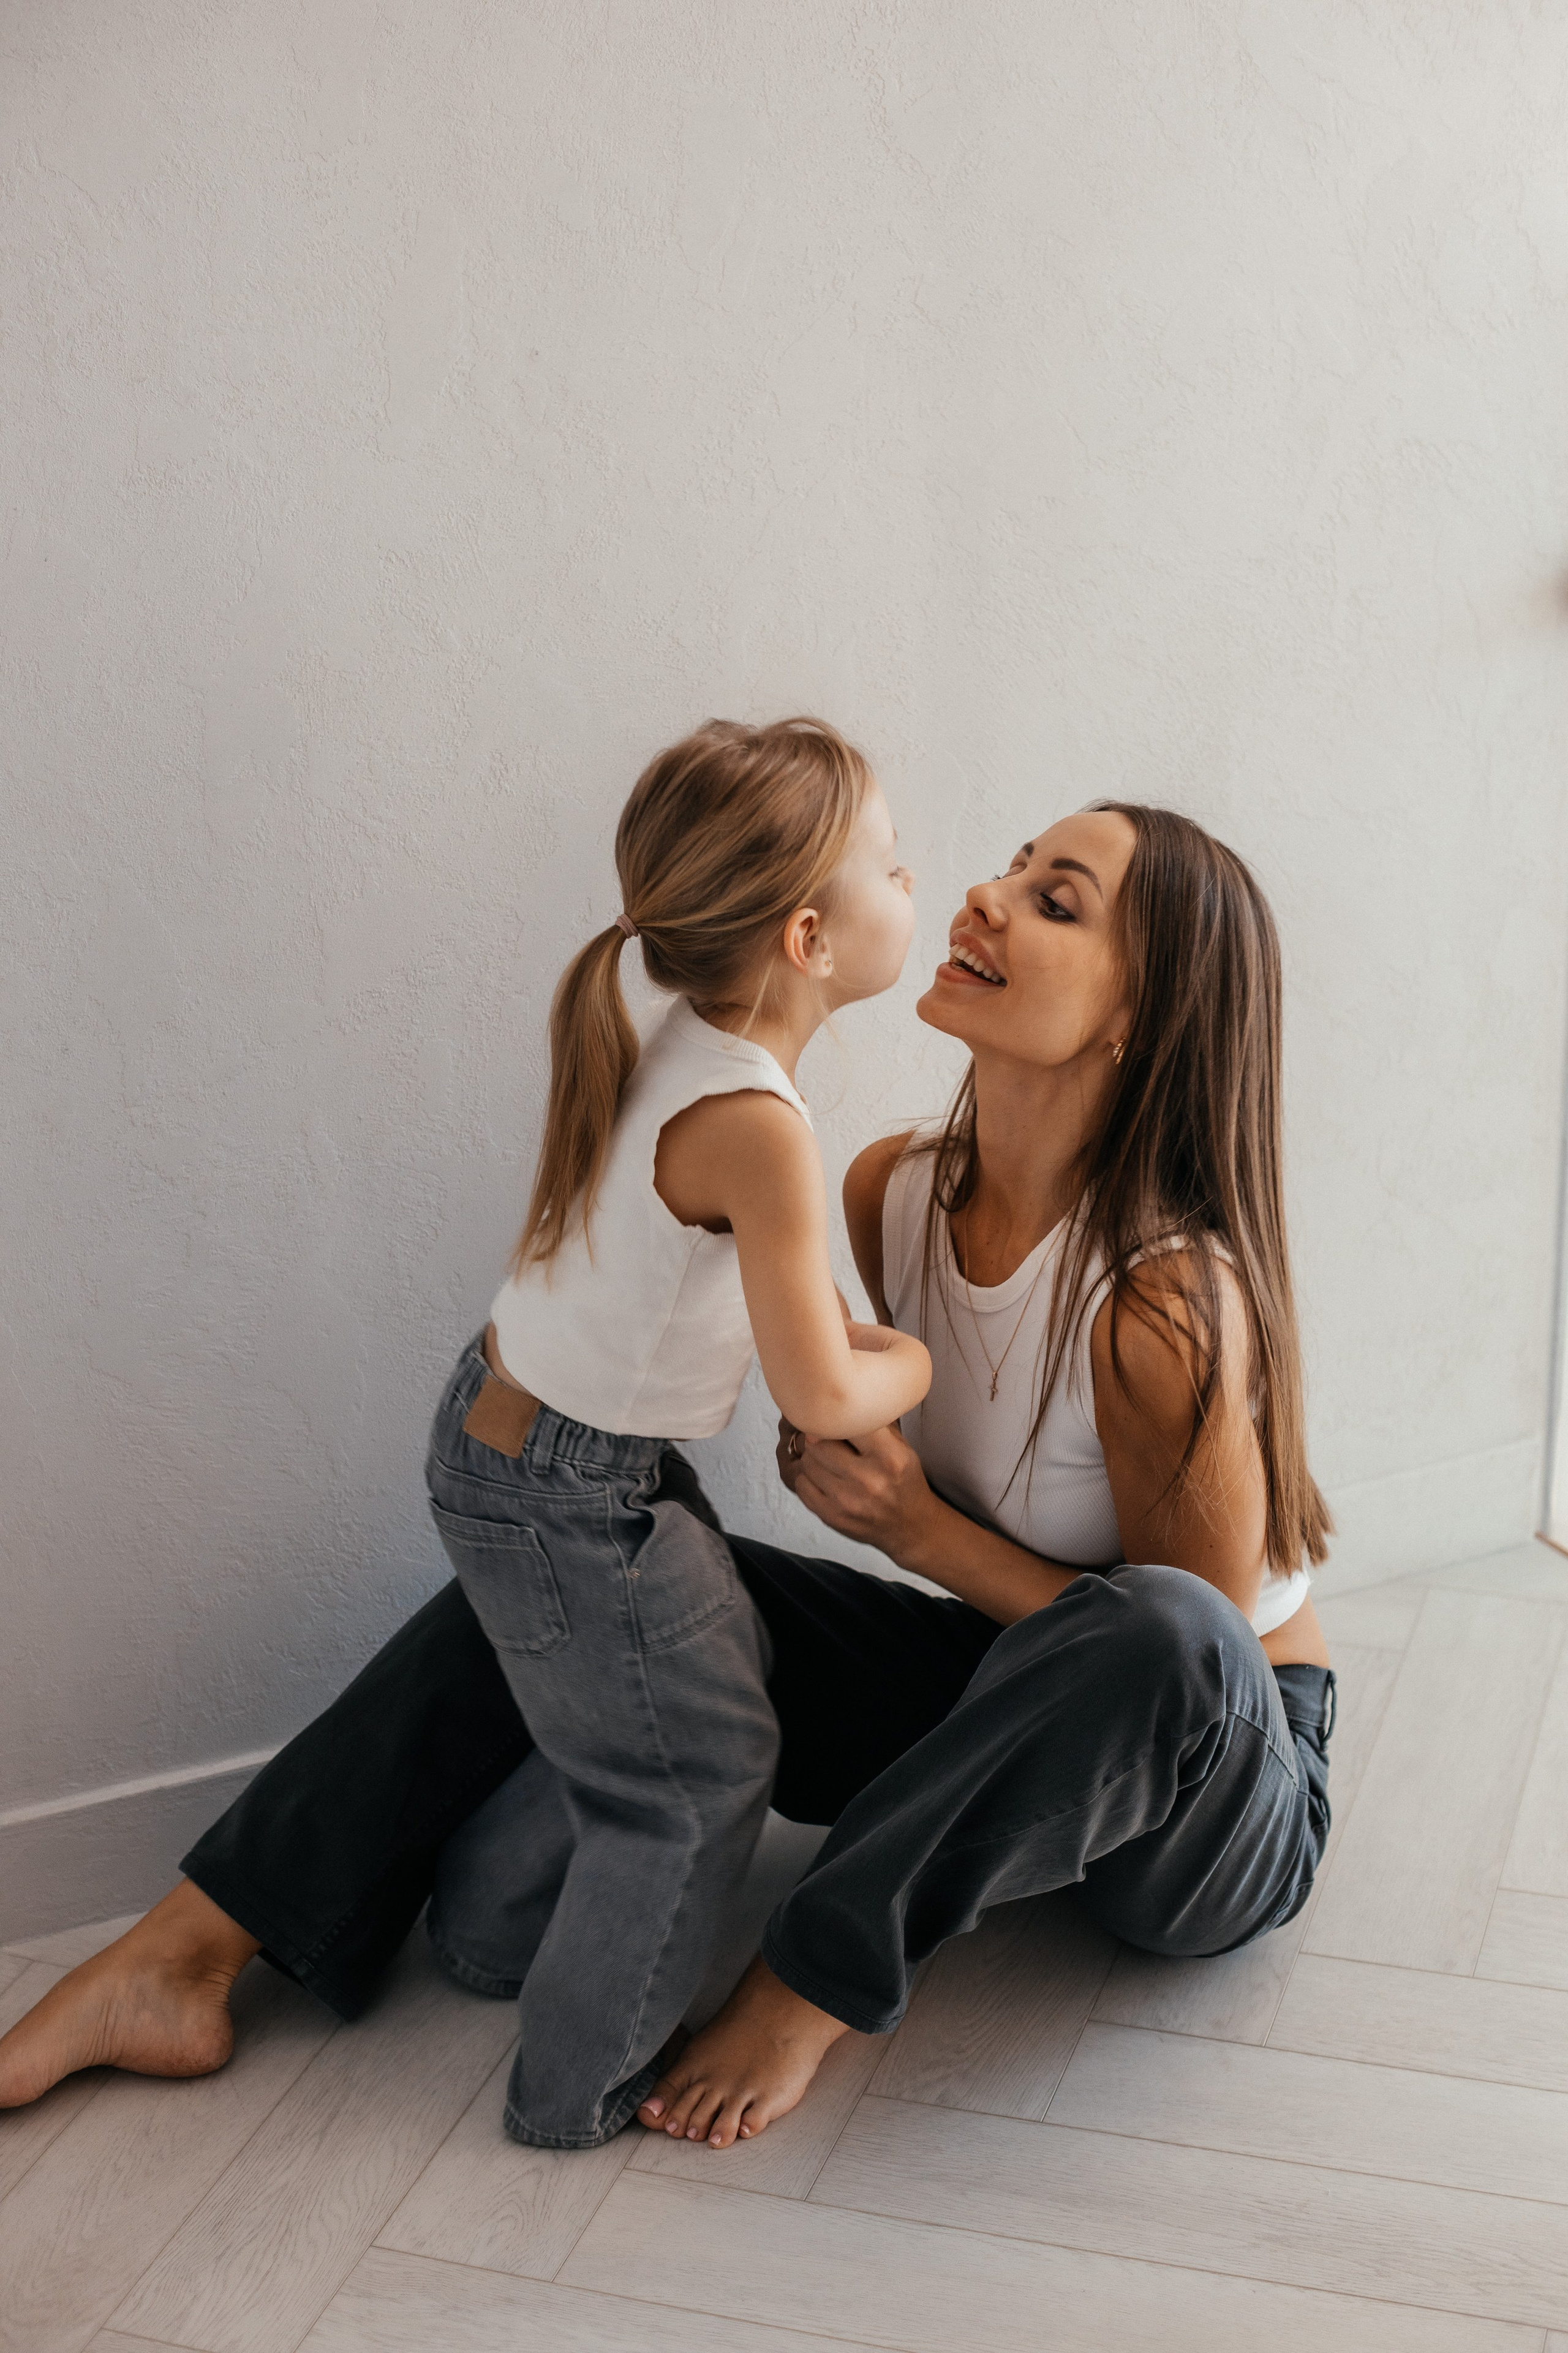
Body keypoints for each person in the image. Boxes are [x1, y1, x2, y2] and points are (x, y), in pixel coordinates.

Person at [0, 796, 1335, 2158]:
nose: (986, 895)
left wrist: (917, 1532)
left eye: (1056, 901)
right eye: (1013, 865)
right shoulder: (893, 1190)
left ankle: (806, 1987)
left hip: (1216, 1806)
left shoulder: (1164, 1304)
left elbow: (1190, 1667)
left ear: (1138, 1016)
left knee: (1159, 1628)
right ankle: (187, 1948)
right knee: (603, 1544)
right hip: (995, 1679)